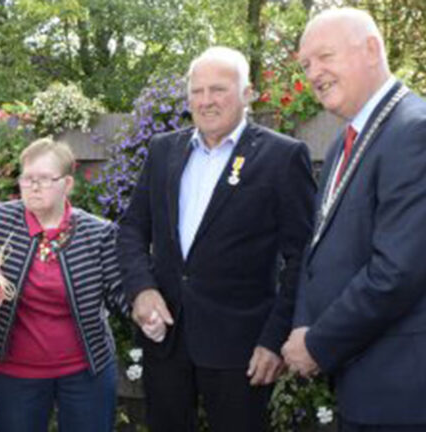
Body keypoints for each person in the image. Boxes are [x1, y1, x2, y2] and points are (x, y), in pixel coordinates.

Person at [282, 8, 426, 431]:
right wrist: (304, 322)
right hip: (365, 376)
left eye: (325, 56)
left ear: (372, 49)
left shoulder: (422, 133)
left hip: (414, 387)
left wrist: (318, 344)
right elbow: (319, 243)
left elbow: (397, 272)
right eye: (306, 64)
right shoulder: (345, 141)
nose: (313, 73)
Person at [118, 46, 316, 431]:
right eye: (197, 91)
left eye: (219, 89)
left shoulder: (282, 157)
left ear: (247, 93)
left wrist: (275, 339)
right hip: (167, 341)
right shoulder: (163, 151)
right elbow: (132, 229)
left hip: (241, 348)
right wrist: (141, 289)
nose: (206, 101)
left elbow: (304, 257)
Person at [0, 137, 129, 432]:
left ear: (67, 184)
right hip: (15, 372)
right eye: (27, 178)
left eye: (44, 178)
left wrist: (150, 307)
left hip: (85, 371)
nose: (34, 186)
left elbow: (123, 294)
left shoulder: (98, 233)